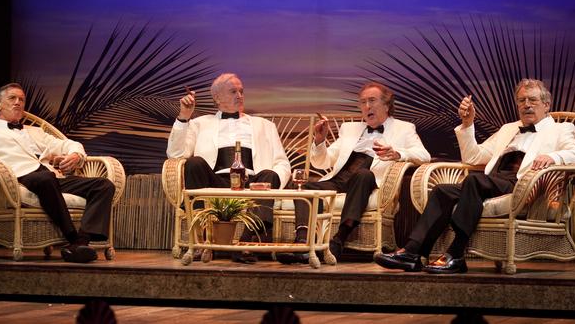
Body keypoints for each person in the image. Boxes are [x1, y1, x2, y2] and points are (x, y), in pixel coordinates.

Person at [375, 79, 575, 274]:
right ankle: (414, 253)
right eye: (521, 100)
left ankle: (456, 253)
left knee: (474, 181)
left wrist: (552, 156)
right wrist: (468, 124)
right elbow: (474, 156)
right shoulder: (508, 129)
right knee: (443, 191)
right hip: (490, 181)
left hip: (522, 184)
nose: (526, 105)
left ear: (546, 104)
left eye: (532, 100)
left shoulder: (560, 129)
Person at [0, 83, 116, 263]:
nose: (18, 102)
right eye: (12, 98)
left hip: (50, 177)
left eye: (21, 99)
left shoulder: (36, 131)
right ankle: (72, 237)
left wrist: (75, 155)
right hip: (17, 179)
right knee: (45, 178)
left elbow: (68, 144)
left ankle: (80, 243)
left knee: (104, 185)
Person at [276, 81, 431, 264]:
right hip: (341, 179)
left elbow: (424, 156)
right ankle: (303, 244)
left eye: (372, 101)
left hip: (368, 180)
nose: (366, 107)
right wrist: (319, 141)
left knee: (363, 175)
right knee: (305, 187)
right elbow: (322, 161)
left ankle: (339, 240)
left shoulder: (404, 128)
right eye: (363, 102)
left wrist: (397, 153)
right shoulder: (349, 129)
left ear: (387, 105)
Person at [166, 73, 291, 263]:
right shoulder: (199, 124)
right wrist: (184, 117)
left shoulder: (265, 126)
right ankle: (202, 240)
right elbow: (175, 155)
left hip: (253, 183)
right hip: (216, 183)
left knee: (270, 174)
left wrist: (274, 183)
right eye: (233, 91)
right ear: (216, 97)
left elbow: (282, 163)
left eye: (241, 91)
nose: (240, 95)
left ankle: (246, 244)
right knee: (194, 163)